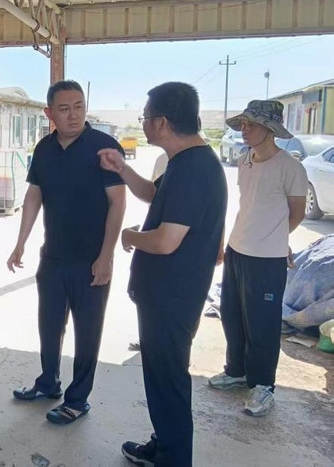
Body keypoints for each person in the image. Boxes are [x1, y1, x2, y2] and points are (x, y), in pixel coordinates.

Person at [98, 82, 226, 467]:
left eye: (146, 117)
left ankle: (173, 458)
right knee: (162, 378)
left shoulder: (194, 170)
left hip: (173, 298)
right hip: (168, 295)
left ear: (163, 122)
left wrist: (130, 236)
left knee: (168, 382)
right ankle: (166, 445)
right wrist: (122, 168)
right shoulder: (185, 163)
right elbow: (154, 195)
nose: (144, 124)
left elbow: (167, 241)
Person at [7, 80, 126, 426]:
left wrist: (106, 256)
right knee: (49, 325)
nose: (73, 115)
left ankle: (77, 400)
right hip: (53, 257)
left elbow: (118, 203)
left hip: (91, 260)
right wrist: (20, 242)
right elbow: (34, 195)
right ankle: (48, 383)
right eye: (64, 109)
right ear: (49, 113)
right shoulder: (44, 149)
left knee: (87, 332)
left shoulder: (104, 147)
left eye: (79, 107)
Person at [208, 100, 306, 417]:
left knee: (262, 324)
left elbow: (297, 213)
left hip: (267, 259)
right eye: (243, 124)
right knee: (232, 315)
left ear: (270, 129)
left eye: (251, 124)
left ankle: (264, 385)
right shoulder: (244, 160)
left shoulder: (291, 168)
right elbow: (248, 205)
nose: (244, 129)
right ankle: (237, 371)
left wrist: (277, 239)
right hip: (238, 250)